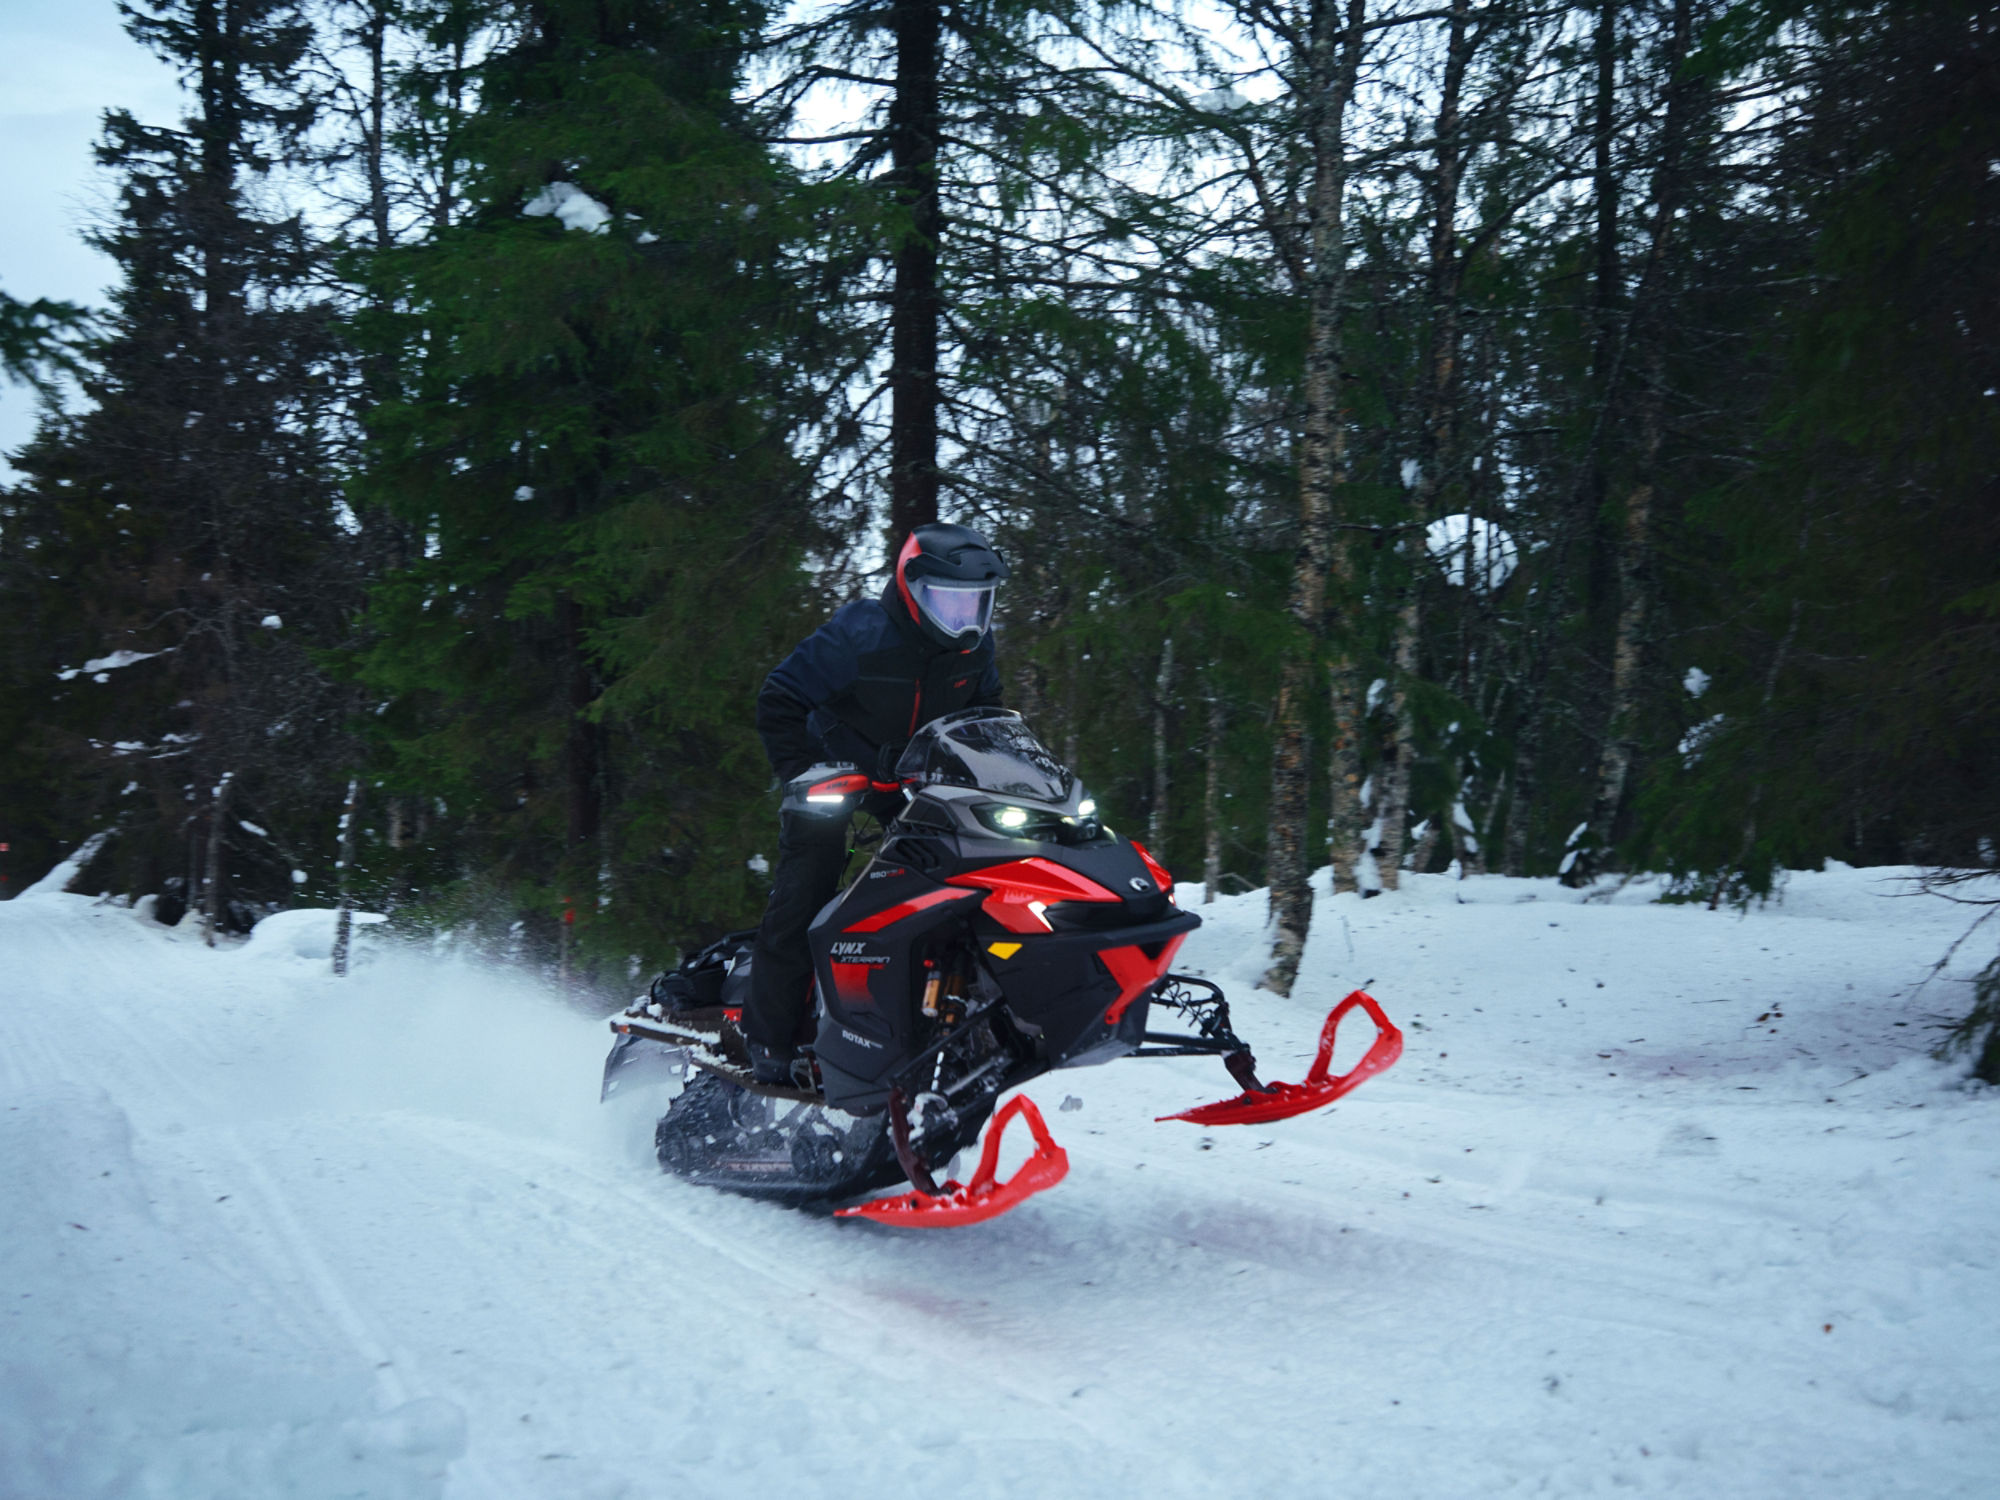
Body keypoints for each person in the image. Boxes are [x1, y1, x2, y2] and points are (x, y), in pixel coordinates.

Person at [744, 522, 1009, 1085]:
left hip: (914, 786)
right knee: (806, 889)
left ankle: (955, 1017)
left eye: (977, 604)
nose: (966, 619)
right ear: (913, 590)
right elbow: (780, 697)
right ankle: (766, 1040)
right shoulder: (861, 634)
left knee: (962, 879)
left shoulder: (976, 649)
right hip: (834, 779)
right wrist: (805, 772)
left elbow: (986, 721)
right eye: (951, 602)